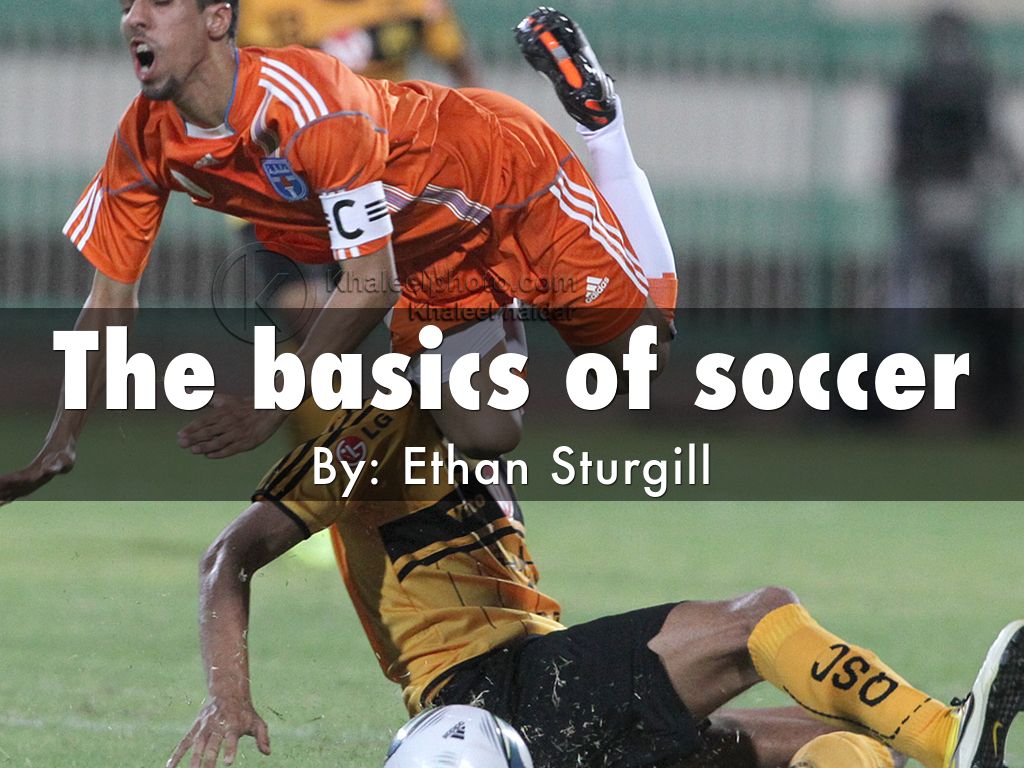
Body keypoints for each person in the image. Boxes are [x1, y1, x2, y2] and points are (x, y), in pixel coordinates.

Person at [0, 2, 677, 505]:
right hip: (425, 253)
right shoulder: (143, 140)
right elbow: (109, 300)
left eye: (158, 2)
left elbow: (370, 283)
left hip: (507, 181)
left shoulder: (309, 104)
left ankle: (604, 129)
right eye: (126, 4)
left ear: (217, 20)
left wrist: (272, 402)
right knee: (485, 433)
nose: (134, 18)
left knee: (640, 368)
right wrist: (61, 440)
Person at [165, 398, 1023, 768]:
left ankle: (930, 737)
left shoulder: (468, 424)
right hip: (490, 699)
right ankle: (951, 736)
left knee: (836, 740)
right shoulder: (373, 429)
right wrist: (229, 697)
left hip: (547, 693)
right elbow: (228, 555)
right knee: (758, 619)